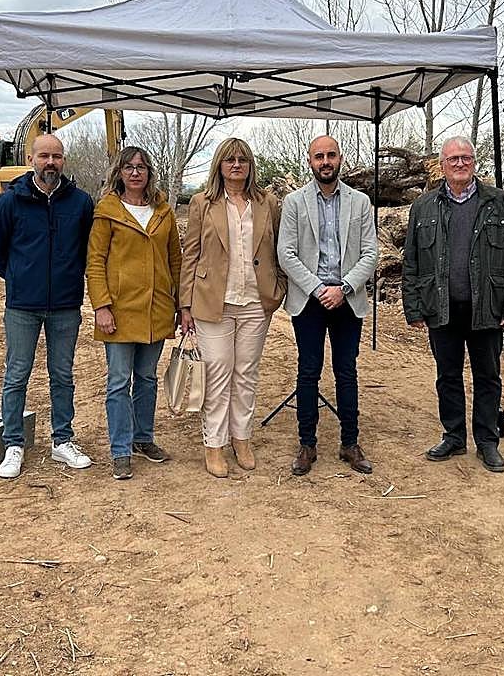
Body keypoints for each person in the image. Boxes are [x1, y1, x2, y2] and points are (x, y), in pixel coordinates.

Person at [401, 136, 504, 473]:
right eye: (453, 159)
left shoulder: (500, 204)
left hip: (487, 307)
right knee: (447, 376)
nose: (460, 164)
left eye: (466, 158)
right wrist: (413, 308)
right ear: (441, 165)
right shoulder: (424, 207)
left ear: (475, 163)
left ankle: (487, 441)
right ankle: (454, 436)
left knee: (487, 376)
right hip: (441, 307)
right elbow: (412, 262)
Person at [0, 134, 95, 479]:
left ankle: (62, 440)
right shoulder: (10, 203)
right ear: (31, 159)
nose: (51, 163)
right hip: (22, 306)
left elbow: (87, 251)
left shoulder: (80, 203)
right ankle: (14, 442)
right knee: (17, 375)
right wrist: (20, 278)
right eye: (44, 156)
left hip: (65, 304)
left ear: (64, 161)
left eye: (57, 157)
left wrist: (68, 278)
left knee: (62, 375)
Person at [179, 138, 285, 478]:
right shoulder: (201, 203)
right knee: (218, 373)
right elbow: (190, 255)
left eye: (242, 159)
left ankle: (242, 438)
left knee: (246, 374)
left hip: (256, 302)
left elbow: (280, 250)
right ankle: (214, 444)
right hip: (213, 302)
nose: (236, 165)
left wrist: (277, 289)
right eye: (229, 160)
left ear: (250, 165)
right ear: (220, 166)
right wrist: (184, 304)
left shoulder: (268, 203)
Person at [278, 135, 378, 476]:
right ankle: (307, 444)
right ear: (310, 161)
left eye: (330, 155)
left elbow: (370, 254)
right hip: (309, 298)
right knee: (308, 371)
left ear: (340, 159)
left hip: (348, 298)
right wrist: (320, 288)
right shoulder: (293, 202)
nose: (325, 161)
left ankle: (350, 443)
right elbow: (286, 254)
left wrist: (344, 287)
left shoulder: (360, 202)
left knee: (346, 371)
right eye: (319, 156)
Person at [87, 146, 181, 481]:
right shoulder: (107, 211)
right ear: (119, 172)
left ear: (149, 171)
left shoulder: (164, 210)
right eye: (129, 167)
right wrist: (102, 306)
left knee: (147, 378)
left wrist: (179, 304)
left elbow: (175, 261)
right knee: (117, 383)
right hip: (119, 312)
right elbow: (95, 262)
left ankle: (144, 438)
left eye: (141, 167)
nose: (136, 172)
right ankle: (120, 450)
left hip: (156, 309)